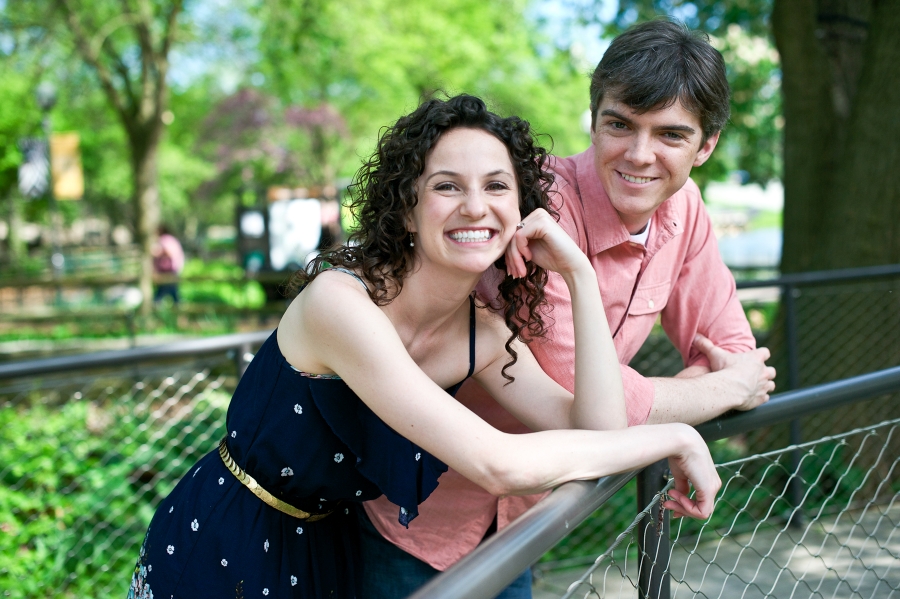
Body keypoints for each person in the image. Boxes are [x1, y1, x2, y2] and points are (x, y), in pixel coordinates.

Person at [127, 95, 722, 599]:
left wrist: (579, 276)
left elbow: (596, 430)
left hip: (326, 550)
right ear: (408, 209)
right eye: (446, 186)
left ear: (521, 211)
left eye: (496, 186)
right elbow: (497, 464)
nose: (474, 206)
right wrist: (675, 434)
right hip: (231, 537)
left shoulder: (482, 332)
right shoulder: (340, 302)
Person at [360, 19, 778, 599]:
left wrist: (697, 386)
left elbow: (730, 345)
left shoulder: (687, 210)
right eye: (620, 125)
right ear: (594, 119)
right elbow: (586, 402)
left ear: (705, 146)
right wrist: (719, 393)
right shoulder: (536, 205)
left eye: (671, 135)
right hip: (415, 516)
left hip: (530, 516)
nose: (640, 154)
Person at [152, 225, 185, 304]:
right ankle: (180, 311)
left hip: (168, 270)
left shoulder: (165, 239)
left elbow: (169, 252)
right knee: (172, 292)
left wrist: (156, 253)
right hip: (173, 269)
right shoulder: (172, 239)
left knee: (162, 292)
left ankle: (155, 307)